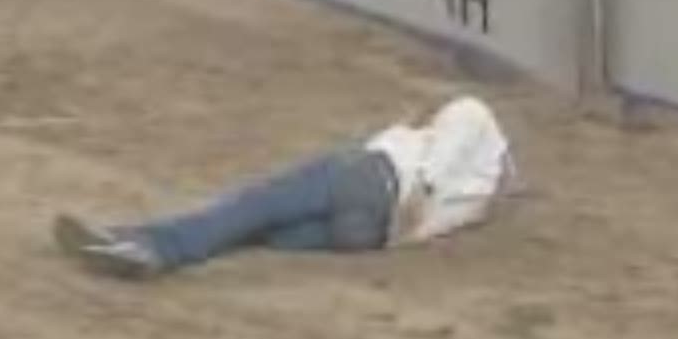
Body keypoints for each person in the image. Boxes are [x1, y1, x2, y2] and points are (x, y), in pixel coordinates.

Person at [53, 95, 516, 280]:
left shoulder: (474, 115)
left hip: (373, 180)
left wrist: (419, 188)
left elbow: (439, 159)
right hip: (367, 237)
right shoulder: (479, 199)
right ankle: (139, 246)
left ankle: (150, 247)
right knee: (251, 232)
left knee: (249, 208)